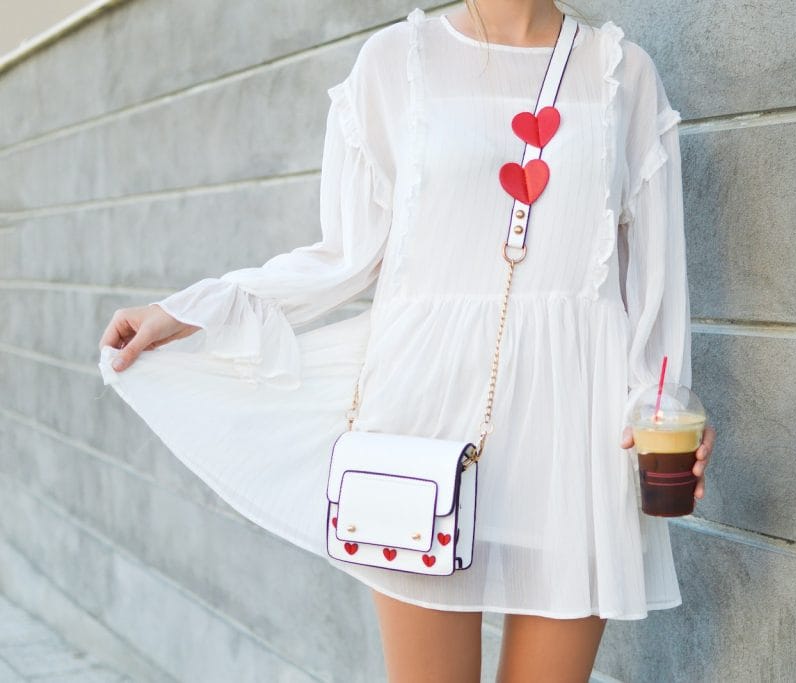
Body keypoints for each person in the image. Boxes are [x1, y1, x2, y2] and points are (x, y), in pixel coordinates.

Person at [96, 1, 716, 680]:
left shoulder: (622, 71)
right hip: (421, 427)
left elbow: (655, 284)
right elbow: (342, 256)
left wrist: (665, 404)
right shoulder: (396, 62)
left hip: (574, 437)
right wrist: (194, 311)